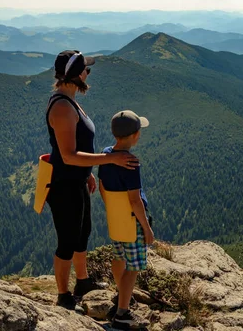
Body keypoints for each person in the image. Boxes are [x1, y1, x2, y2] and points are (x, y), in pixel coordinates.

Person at [46, 50, 139, 312]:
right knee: (67, 239)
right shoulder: (63, 107)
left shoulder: (70, 101)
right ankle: (63, 294)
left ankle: (83, 282)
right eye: (86, 69)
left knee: (82, 232)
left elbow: (77, 149)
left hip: (75, 180)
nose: (89, 73)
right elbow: (68, 155)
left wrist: (87, 174)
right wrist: (109, 160)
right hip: (64, 184)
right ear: (76, 74)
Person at [98, 110, 154, 329]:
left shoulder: (106, 154)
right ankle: (122, 312)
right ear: (135, 135)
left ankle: (120, 296)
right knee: (133, 267)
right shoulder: (131, 163)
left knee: (118, 257)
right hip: (133, 222)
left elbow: (103, 187)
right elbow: (135, 200)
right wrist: (147, 229)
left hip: (116, 219)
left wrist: (113, 208)